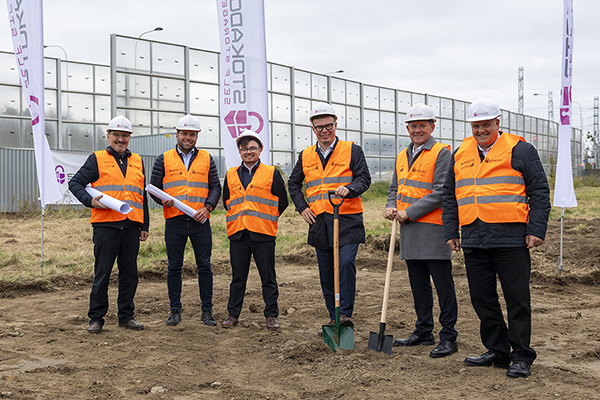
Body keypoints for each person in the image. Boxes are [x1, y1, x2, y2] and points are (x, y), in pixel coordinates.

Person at [442, 97, 551, 378]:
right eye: (476, 125)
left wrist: (535, 229)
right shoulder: (460, 153)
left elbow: (539, 192)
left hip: (511, 238)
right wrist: (451, 232)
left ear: (498, 123)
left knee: (517, 299)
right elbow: (450, 197)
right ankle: (498, 350)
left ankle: (522, 355)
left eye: (486, 125)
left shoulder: (521, 150)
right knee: (482, 298)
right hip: (474, 237)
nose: (480, 130)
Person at [383, 103, 458, 358]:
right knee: (419, 285)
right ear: (407, 128)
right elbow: (395, 189)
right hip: (408, 231)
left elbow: (440, 192)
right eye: (413, 126)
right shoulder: (402, 155)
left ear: (432, 126)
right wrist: (391, 207)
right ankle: (424, 330)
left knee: (443, 286)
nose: (417, 130)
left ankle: (448, 336)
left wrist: (409, 212)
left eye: (422, 125)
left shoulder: (442, 153)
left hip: (433, 230)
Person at [288, 102, 371, 332]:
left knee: (344, 264)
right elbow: (293, 184)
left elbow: (364, 178)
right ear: (313, 129)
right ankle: (332, 314)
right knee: (326, 270)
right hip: (319, 220)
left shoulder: (352, 149)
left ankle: (344, 313)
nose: (325, 131)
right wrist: (302, 207)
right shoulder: (305, 155)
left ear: (336, 125)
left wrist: (350, 188)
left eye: (329, 126)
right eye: (319, 127)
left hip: (347, 218)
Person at [69, 115, 149, 334]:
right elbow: (75, 183)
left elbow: (140, 196)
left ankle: (126, 316)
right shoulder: (97, 158)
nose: (120, 140)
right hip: (105, 226)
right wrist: (89, 200)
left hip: (131, 226)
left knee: (130, 274)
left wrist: (144, 225)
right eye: (117, 135)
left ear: (130, 137)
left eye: (125, 136)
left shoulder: (138, 160)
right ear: (109, 136)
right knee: (102, 273)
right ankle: (96, 318)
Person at [149, 115, 221, 327]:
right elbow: (153, 188)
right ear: (177, 134)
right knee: (174, 266)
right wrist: (164, 200)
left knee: (204, 266)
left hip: (200, 221)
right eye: (184, 133)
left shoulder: (207, 159)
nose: (188, 137)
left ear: (196, 136)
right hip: (175, 220)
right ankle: (174, 311)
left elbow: (216, 187)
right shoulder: (163, 159)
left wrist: (207, 208)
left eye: (192, 134)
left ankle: (207, 311)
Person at [221, 130, 289, 331]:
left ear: (260, 150)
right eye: (244, 148)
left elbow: (282, 201)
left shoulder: (271, 172)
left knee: (268, 277)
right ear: (239, 151)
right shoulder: (231, 174)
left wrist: (266, 218)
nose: (248, 152)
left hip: (263, 234)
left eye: (252, 148)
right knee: (237, 278)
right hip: (239, 234)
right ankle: (233, 315)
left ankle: (271, 315)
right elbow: (227, 201)